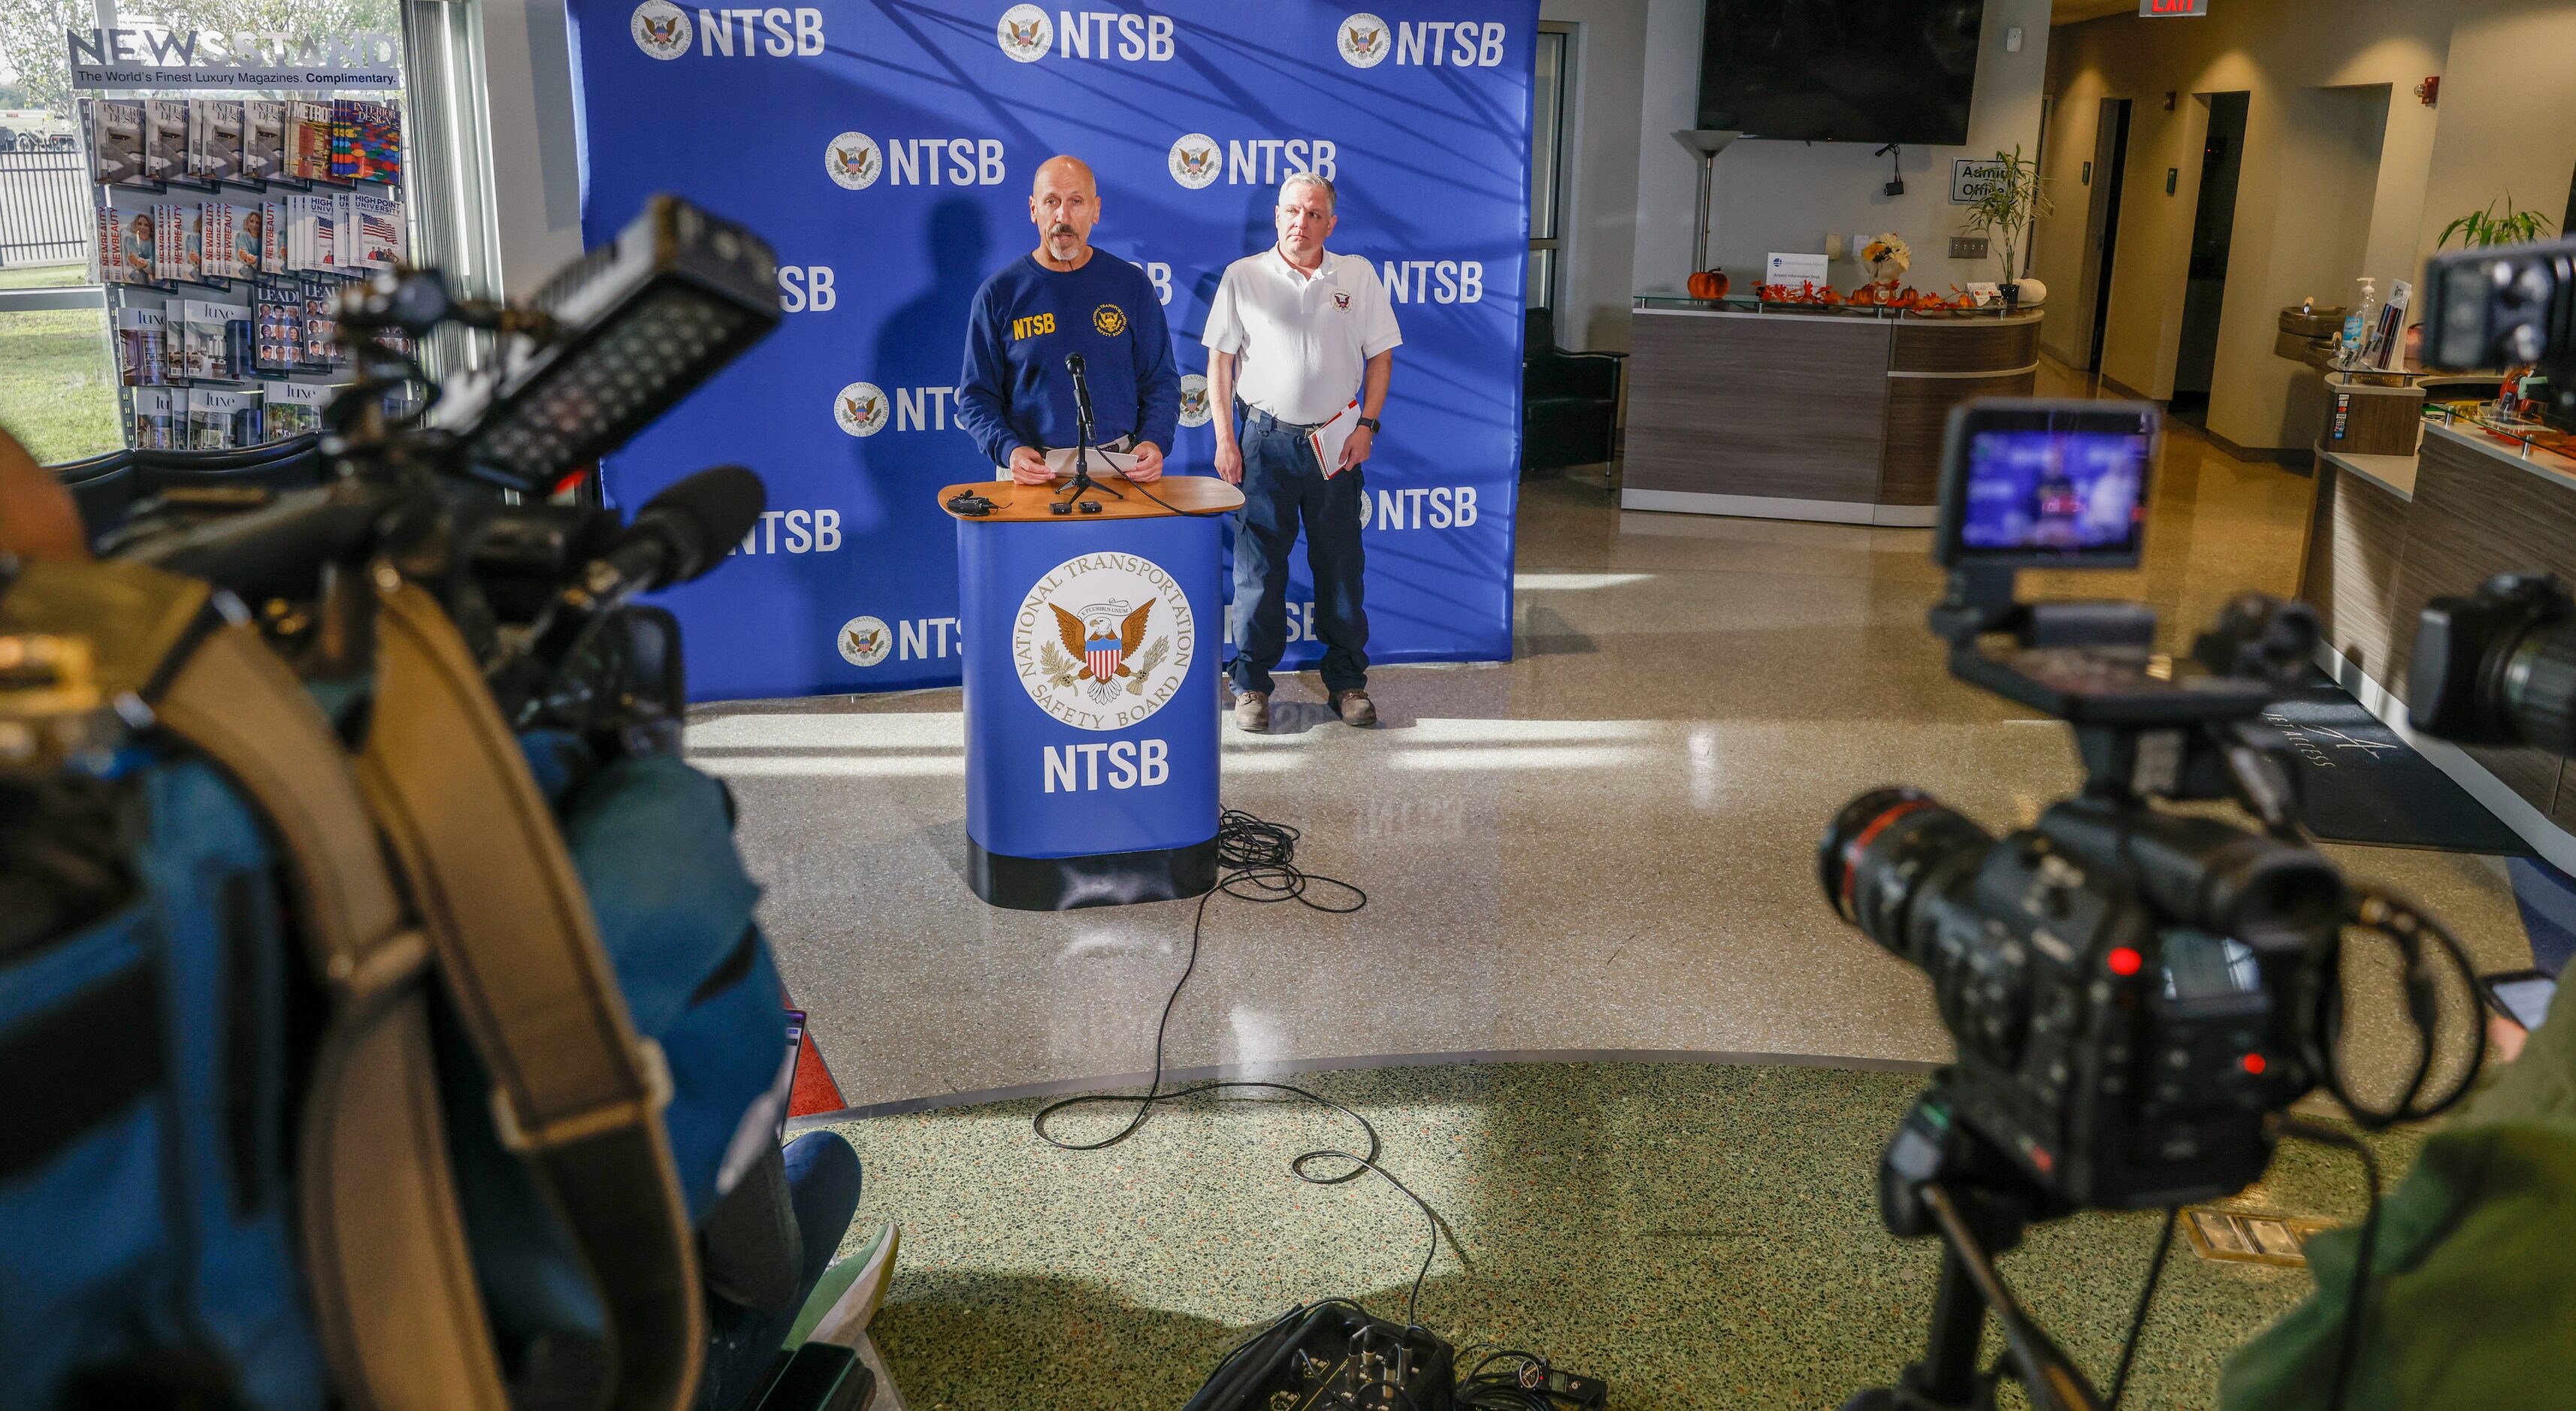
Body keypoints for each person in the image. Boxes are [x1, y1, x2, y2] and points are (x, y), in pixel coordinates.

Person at [1203, 171, 1399, 731]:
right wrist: (1225, 439)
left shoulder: (1356, 275)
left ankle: (1348, 684)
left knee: (1341, 567)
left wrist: (1369, 425)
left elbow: (1381, 355)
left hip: (1336, 444)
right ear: (1277, 216)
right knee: (1259, 571)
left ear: (1330, 223)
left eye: (1314, 214)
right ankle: (1251, 689)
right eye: (1292, 211)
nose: (1301, 222)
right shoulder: (1244, 277)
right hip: (1264, 443)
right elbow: (1219, 363)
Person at [954, 155, 1177, 488]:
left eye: (1076, 201)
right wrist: (1009, 451)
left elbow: (1160, 381)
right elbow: (975, 397)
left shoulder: (1131, 286)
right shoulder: (999, 294)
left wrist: (1155, 440)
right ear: (1034, 209)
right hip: (1032, 476)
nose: (1063, 216)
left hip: (1119, 471)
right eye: (1051, 202)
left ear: (1096, 210)